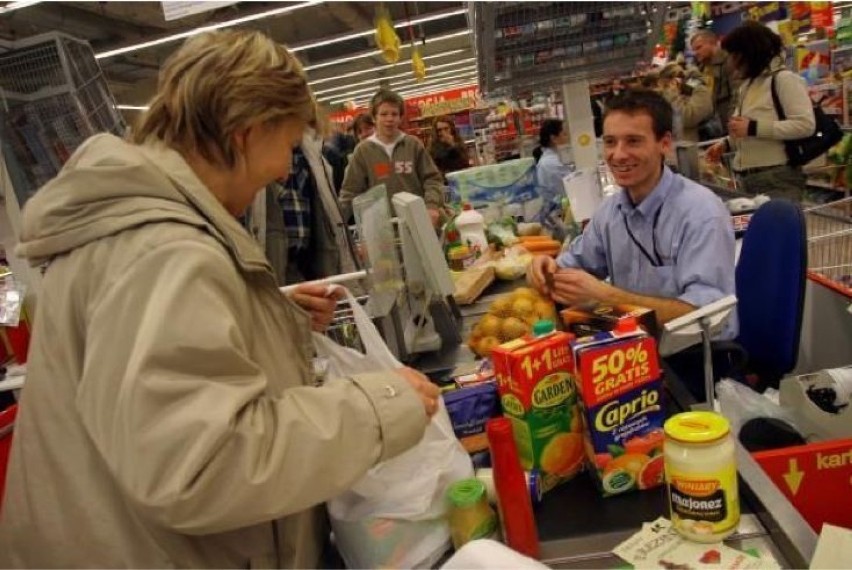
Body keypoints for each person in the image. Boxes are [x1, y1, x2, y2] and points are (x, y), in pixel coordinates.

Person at [0, 30, 440, 568]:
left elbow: (151, 381)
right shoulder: (161, 250)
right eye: (285, 144)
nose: (283, 170)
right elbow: (199, 464)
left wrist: (269, 318)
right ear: (246, 135)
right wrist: (379, 407)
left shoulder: (141, 233)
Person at [527, 89, 736, 336]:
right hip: (632, 354)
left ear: (665, 144)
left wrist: (608, 297)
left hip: (693, 359)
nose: (618, 154)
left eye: (633, 141)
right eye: (610, 142)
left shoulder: (700, 213)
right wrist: (544, 270)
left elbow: (708, 317)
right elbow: (571, 267)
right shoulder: (610, 213)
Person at [705, 21, 815, 201]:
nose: (731, 62)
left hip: (778, 179)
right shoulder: (747, 85)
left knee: (778, 229)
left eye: (734, 54)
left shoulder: (784, 80)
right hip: (747, 180)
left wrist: (754, 127)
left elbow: (805, 125)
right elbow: (744, 128)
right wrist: (726, 144)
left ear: (750, 53)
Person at [265, 122, 360, 284]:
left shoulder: (312, 155)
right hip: (273, 266)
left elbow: (328, 214)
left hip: (307, 262)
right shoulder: (256, 154)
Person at [339, 89, 445, 227]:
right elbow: (350, 191)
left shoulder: (412, 145)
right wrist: (338, 224)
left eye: (394, 114)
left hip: (418, 223)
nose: (389, 119)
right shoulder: (363, 151)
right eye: (383, 114)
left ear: (400, 117)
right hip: (381, 230)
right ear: (374, 117)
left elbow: (432, 179)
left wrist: (432, 206)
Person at [690, 28, 743, 138]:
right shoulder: (701, 68)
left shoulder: (728, 61)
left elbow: (737, 92)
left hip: (728, 120)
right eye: (694, 50)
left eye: (699, 48)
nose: (696, 53)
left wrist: (732, 119)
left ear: (712, 43)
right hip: (713, 122)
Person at [658, 63, 714, 143]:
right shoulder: (670, 94)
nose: (665, 90)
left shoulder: (700, 91)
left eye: (666, 86)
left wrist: (673, 96)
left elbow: (687, 118)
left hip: (694, 146)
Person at [532, 118, 571, 222]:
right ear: (554, 138)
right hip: (557, 217)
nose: (567, 137)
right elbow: (568, 192)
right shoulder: (550, 164)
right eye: (564, 134)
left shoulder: (553, 159)